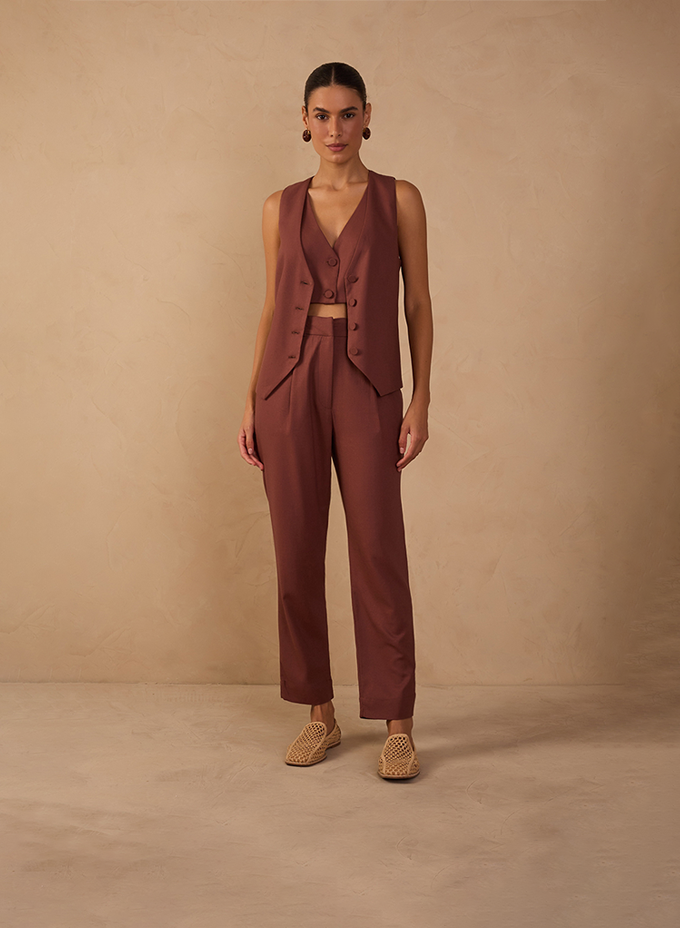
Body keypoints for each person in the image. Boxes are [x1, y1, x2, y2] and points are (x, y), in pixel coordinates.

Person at [238, 62, 433, 780]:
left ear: (367, 115)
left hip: (370, 381)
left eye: (347, 114)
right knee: (295, 552)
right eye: (321, 116)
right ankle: (320, 715)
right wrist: (251, 401)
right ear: (304, 120)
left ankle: (399, 725)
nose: (334, 129)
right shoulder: (278, 205)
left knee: (379, 550)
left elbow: (417, 304)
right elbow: (269, 307)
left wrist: (420, 398)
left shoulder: (398, 199)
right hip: (287, 383)